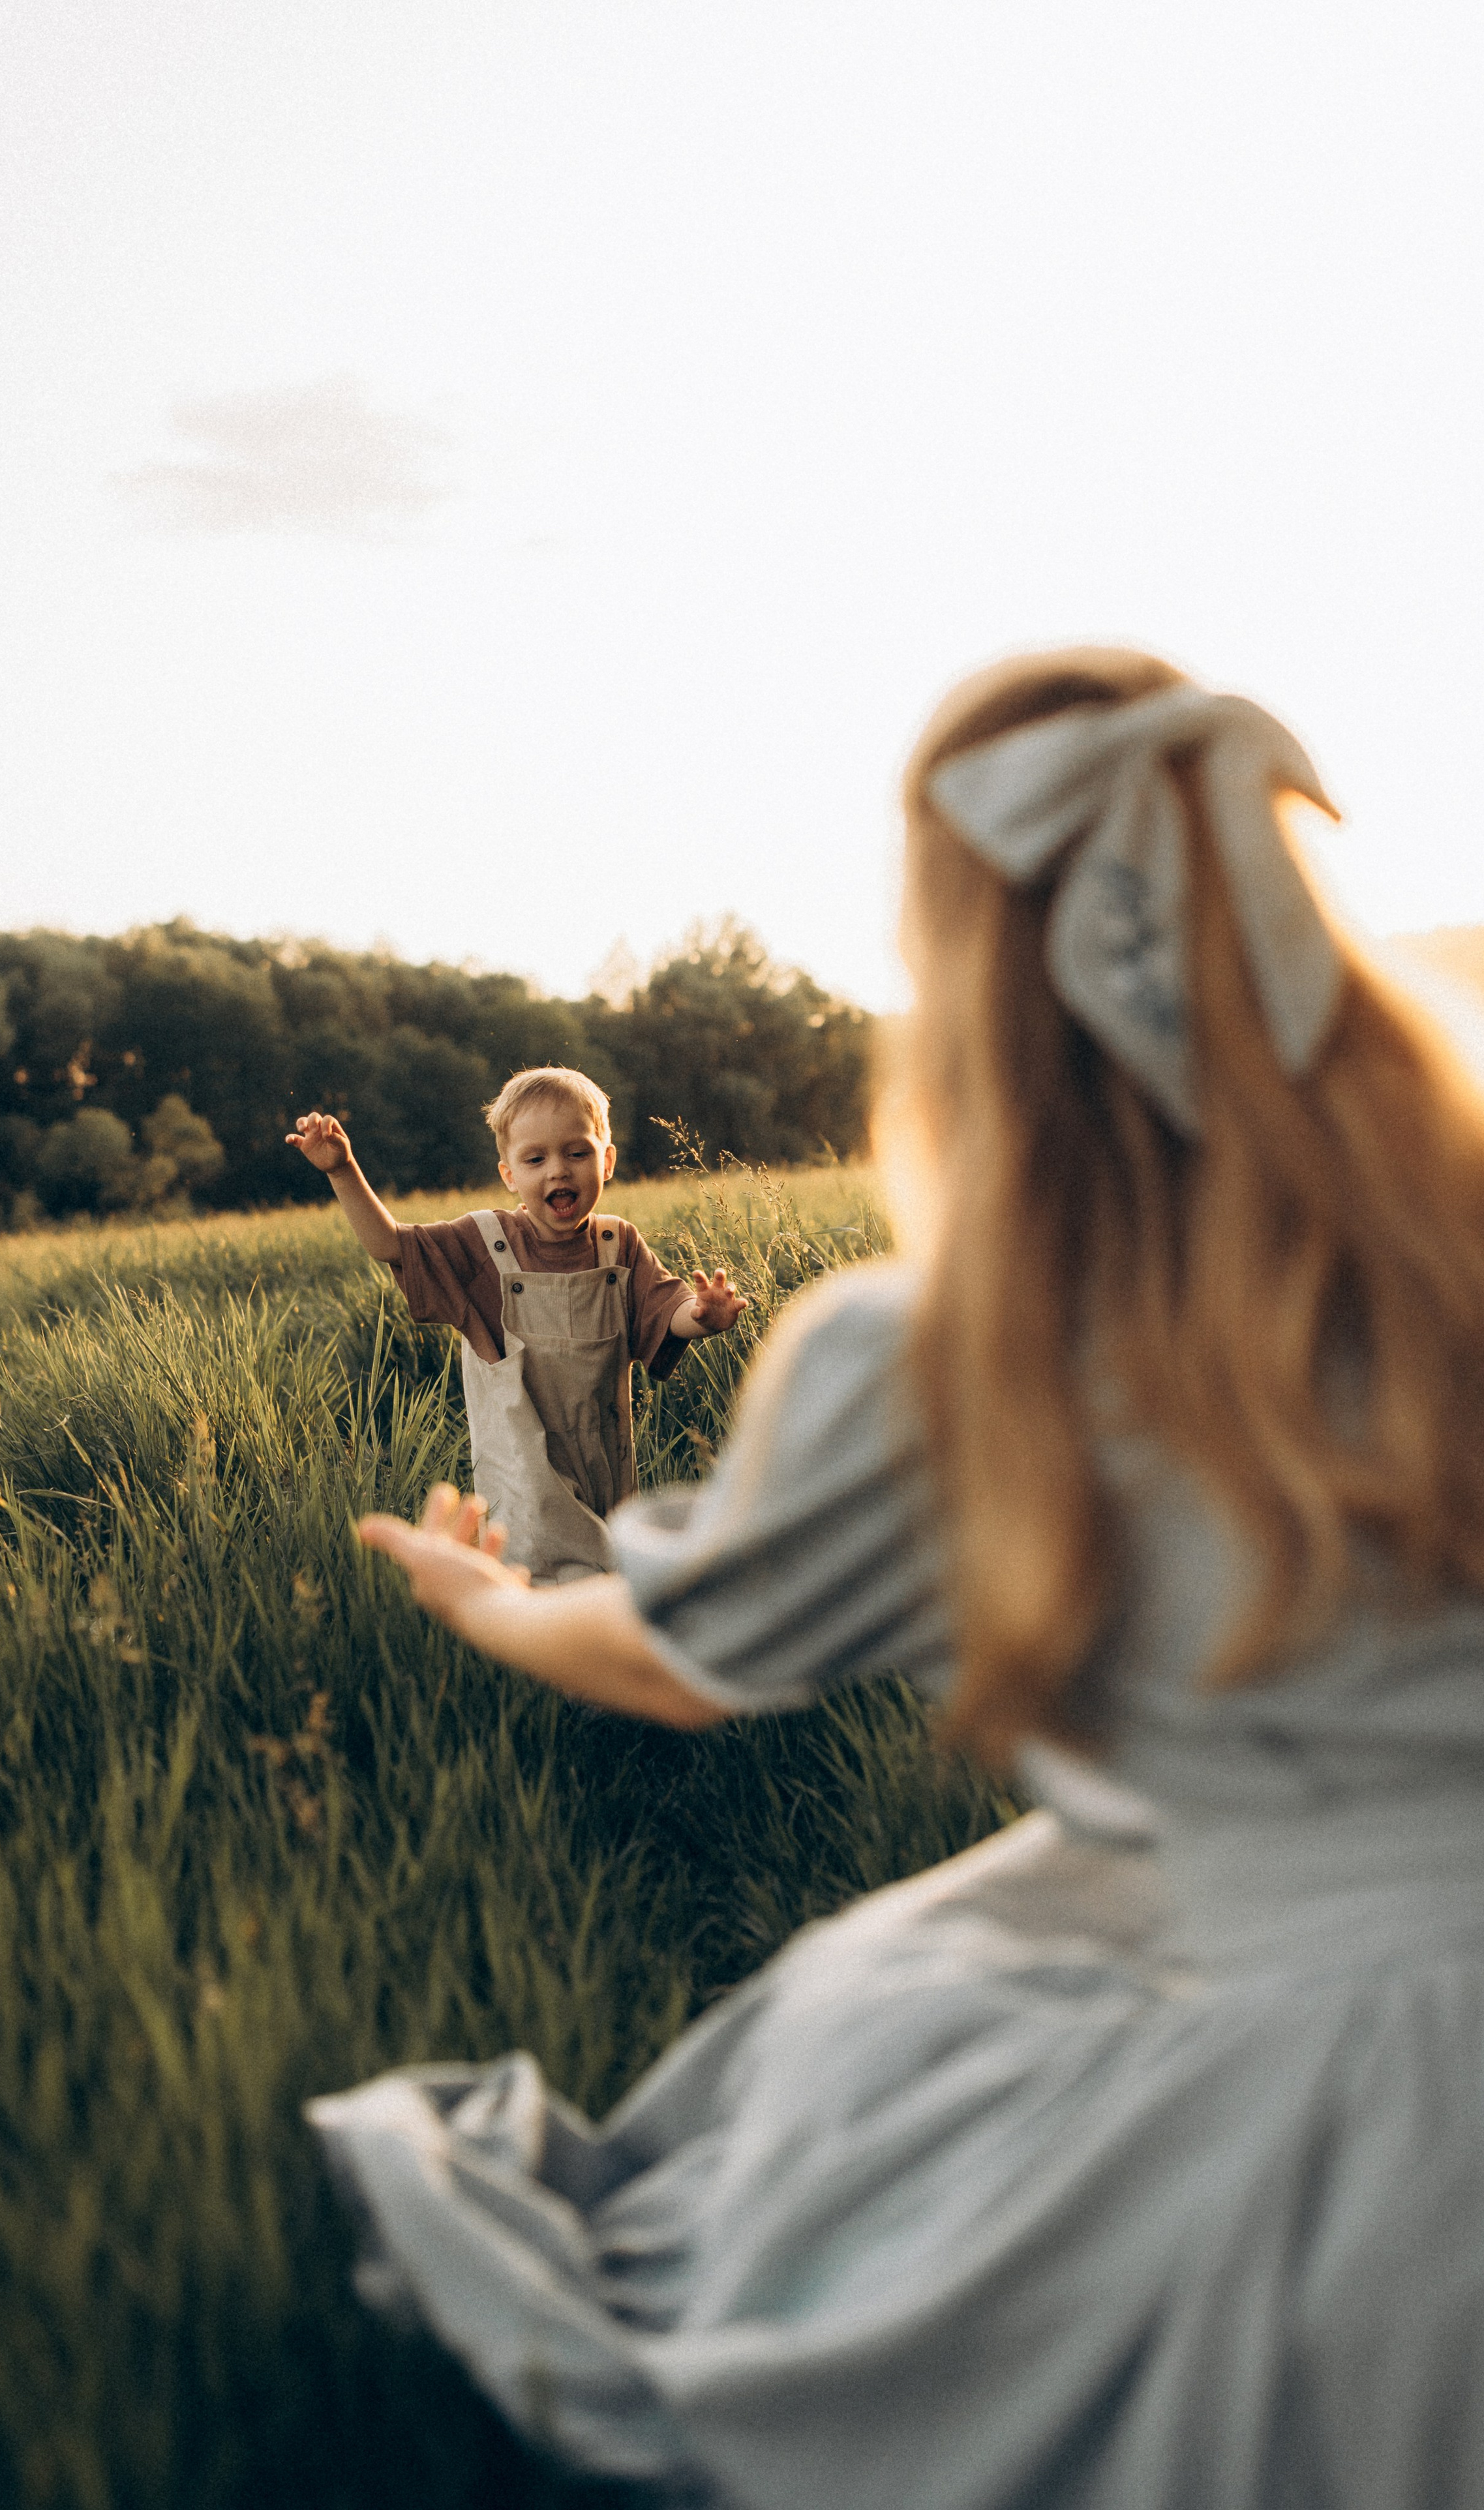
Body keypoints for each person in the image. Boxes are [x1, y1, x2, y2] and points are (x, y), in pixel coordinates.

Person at [307, 650, 1484, 2508]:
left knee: (853, 2084)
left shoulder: (954, 1353)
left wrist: (485, 1603)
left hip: (1368, 2094)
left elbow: (673, 1661)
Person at [288, 1066, 746, 1583]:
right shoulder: (483, 1243)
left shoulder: (618, 1245)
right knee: (544, 1578)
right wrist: (342, 1170)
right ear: (509, 1173)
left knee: (607, 1576)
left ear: (607, 1160)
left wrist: (704, 1316)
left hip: (603, 1458)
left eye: (578, 1153)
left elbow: (666, 1311)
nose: (559, 1171)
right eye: (536, 1159)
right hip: (522, 1462)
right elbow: (390, 1245)